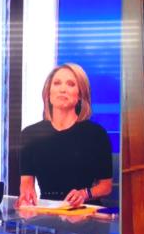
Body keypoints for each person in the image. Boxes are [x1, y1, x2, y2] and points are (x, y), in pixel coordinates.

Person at [17, 63, 112, 207]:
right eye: (57, 83)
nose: (62, 89)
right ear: (48, 93)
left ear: (80, 95)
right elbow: (26, 184)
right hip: (49, 211)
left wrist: (85, 194)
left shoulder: (96, 134)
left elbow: (106, 186)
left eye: (70, 84)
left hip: (84, 211)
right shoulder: (30, 135)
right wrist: (26, 197)